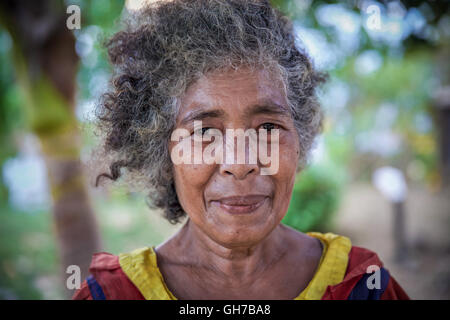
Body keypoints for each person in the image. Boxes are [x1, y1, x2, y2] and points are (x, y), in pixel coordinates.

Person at [73, 0, 409, 300]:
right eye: (204, 131)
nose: (240, 163)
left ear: (299, 140)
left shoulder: (361, 287)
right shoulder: (115, 295)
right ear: (163, 152)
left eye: (267, 128)